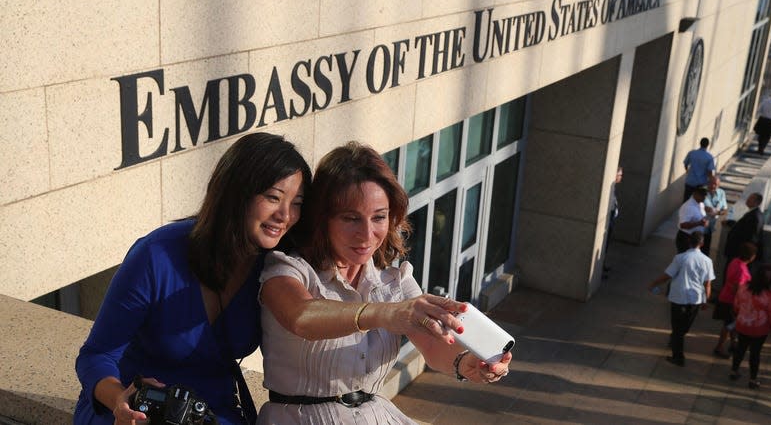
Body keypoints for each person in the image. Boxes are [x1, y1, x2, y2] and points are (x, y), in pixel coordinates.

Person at [257, 142, 513, 424]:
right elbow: (301, 316)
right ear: (322, 219)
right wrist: (386, 314)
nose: (366, 234)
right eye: (351, 218)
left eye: (378, 217)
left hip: (376, 416)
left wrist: (468, 364)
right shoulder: (288, 269)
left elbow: (433, 344)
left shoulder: (394, 279)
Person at [74, 133, 313, 425]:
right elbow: (95, 355)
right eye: (273, 197)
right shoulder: (156, 254)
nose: (285, 215)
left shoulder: (276, 268)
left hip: (212, 413)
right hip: (135, 413)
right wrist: (121, 401)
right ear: (236, 193)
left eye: (297, 203)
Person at [648, 231, 715, 367]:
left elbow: (668, 275)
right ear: (702, 244)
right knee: (684, 327)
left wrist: (653, 284)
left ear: (689, 241)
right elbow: (708, 284)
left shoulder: (681, 258)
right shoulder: (708, 261)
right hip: (696, 298)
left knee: (677, 327)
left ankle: (678, 356)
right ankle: (676, 343)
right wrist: (705, 300)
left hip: (679, 297)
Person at [730, 264, 771, 389]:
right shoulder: (770, 294)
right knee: (755, 353)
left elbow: (736, 304)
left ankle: (734, 371)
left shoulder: (744, 288)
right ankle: (752, 379)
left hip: (743, 324)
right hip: (760, 328)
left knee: (740, 348)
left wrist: (739, 314)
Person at [712, 242, 756, 359]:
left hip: (725, 296)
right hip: (732, 302)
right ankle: (719, 347)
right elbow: (738, 289)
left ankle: (732, 344)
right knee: (728, 325)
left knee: (731, 324)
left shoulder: (735, 261)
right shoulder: (742, 270)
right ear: (751, 257)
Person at [723, 193, 764, 270]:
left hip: (739, 253)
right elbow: (743, 227)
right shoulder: (753, 213)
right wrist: (729, 222)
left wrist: (743, 253)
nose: (748, 200)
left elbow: (752, 237)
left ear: (757, 202)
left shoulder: (755, 216)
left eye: (751, 198)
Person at [603, 166, 623, 279]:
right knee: (604, 245)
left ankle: (602, 265)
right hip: (608, 220)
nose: (621, 177)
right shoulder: (610, 189)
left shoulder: (613, 187)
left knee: (606, 245)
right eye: (620, 175)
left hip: (611, 219)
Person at [676, 186, 708, 254]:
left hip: (695, 239)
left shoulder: (701, 204)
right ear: (695, 194)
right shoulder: (688, 206)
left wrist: (704, 221)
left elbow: (700, 217)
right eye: (702, 195)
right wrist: (699, 223)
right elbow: (683, 225)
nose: (704, 197)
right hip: (686, 239)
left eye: (705, 195)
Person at [703, 175, 728, 256]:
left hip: (711, 227)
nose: (713, 186)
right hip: (701, 227)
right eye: (711, 183)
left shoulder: (721, 193)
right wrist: (717, 212)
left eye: (715, 184)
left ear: (718, 185)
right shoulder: (702, 192)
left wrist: (718, 212)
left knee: (706, 250)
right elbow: (708, 209)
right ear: (707, 183)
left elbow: (724, 210)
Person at [754, 90, 771, 155]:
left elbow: (759, 110)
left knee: (761, 134)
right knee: (767, 136)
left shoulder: (765, 101)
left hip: (763, 119)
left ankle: (760, 147)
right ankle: (762, 148)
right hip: (770, 121)